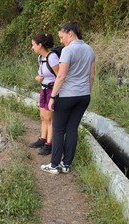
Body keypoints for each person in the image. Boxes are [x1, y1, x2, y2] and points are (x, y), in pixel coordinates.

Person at [41, 22, 95, 174]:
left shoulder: (67, 50)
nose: (61, 40)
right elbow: (91, 76)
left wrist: (52, 97)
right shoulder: (90, 50)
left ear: (70, 33)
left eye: (62, 36)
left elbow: (61, 76)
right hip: (83, 96)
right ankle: (66, 165)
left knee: (58, 129)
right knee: (72, 129)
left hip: (66, 96)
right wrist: (86, 91)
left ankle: (54, 165)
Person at [29, 33, 59, 156]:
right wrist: (39, 78)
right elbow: (42, 74)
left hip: (52, 91)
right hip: (43, 89)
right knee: (42, 116)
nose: (32, 47)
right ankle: (42, 139)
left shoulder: (52, 58)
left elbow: (60, 76)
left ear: (40, 45)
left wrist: (54, 94)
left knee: (49, 118)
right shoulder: (40, 58)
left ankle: (49, 144)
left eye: (33, 45)